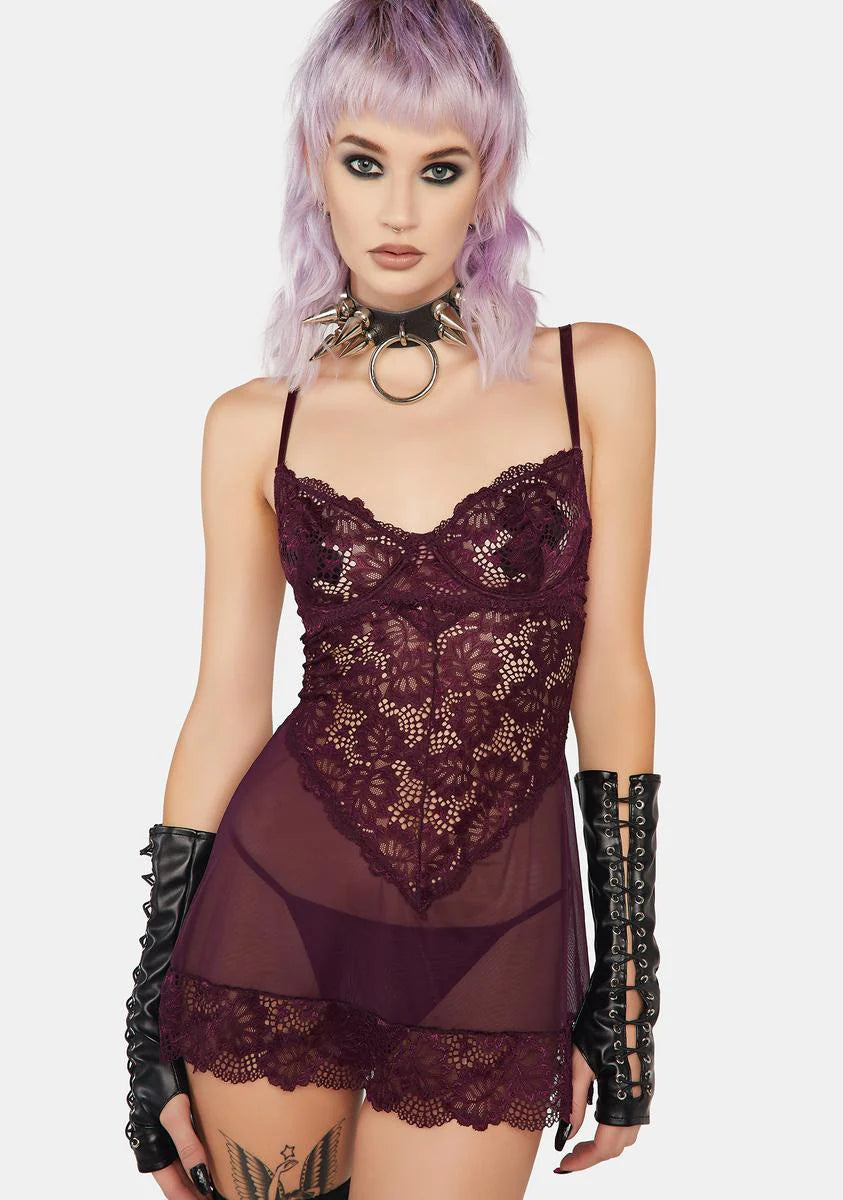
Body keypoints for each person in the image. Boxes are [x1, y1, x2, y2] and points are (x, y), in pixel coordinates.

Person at [123, 2, 661, 1198]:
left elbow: (614, 676)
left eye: (440, 168)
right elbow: (225, 708)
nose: (401, 212)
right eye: (365, 163)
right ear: (315, 168)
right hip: (271, 922)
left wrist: (628, 980)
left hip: (500, 942)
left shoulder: (597, 376)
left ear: (490, 177)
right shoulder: (256, 423)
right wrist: (143, 1016)